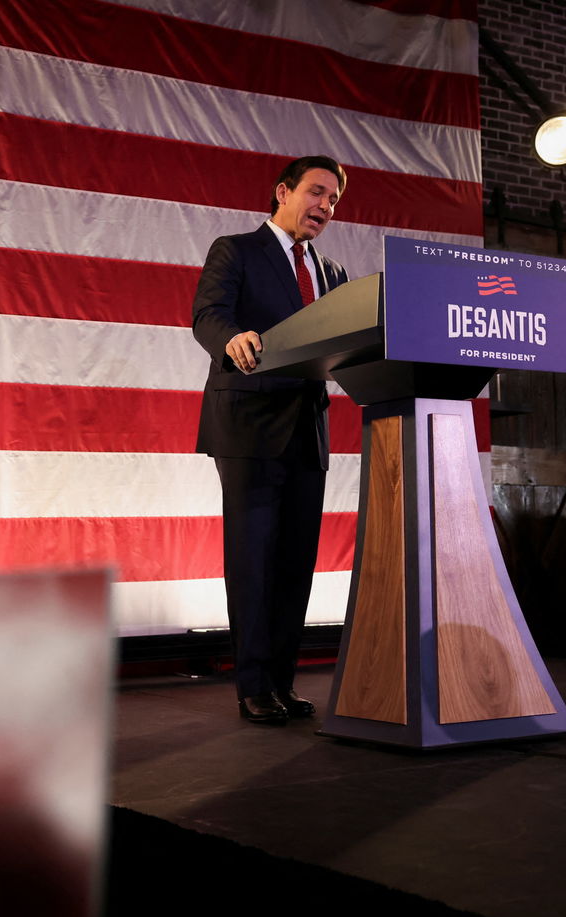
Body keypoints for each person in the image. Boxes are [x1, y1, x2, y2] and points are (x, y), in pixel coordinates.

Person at [191, 156, 348, 725]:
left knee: (295, 564)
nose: (325, 206)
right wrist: (232, 338)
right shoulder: (236, 251)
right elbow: (208, 315)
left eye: (333, 200)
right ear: (283, 192)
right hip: (249, 424)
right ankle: (254, 686)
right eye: (317, 192)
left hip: (308, 429)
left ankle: (282, 682)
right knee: (254, 560)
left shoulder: (333, 274)